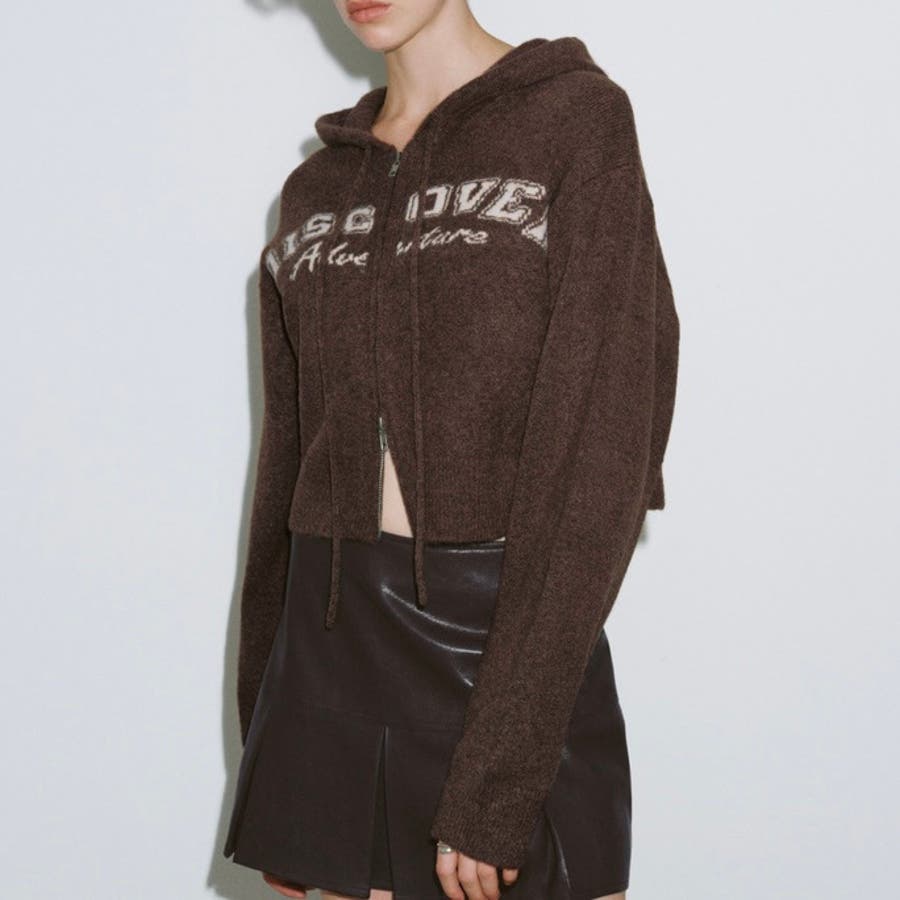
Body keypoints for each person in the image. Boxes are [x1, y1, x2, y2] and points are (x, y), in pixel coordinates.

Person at [222, 1, 680, 899]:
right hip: (325, 662)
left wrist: (500, 776)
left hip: (504, 651)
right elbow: (285, 473)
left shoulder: (575, 122)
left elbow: (601, 452)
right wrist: (269, 748)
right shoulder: (315, 190)